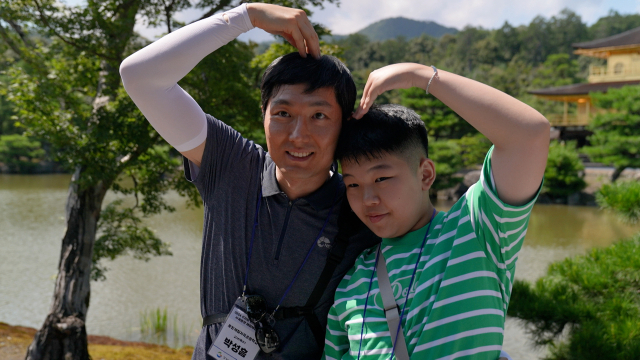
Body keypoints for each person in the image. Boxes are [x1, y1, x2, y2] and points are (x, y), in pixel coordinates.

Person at [119, 3, 378, 360]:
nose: (298, 135)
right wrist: (244, 16)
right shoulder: (232, 164)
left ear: (344, 124)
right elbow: (139, 76)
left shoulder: (362, 206)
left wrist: (422, 77)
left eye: (319, 115)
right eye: (283, 114)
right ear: (264, 115)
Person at [323, 63, 549, 359]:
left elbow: (529, 135)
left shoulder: (475, 231)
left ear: (426, 175)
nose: (368, 199)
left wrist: (418, 76)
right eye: (352, 184)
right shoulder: (352, 280)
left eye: (381, 179)